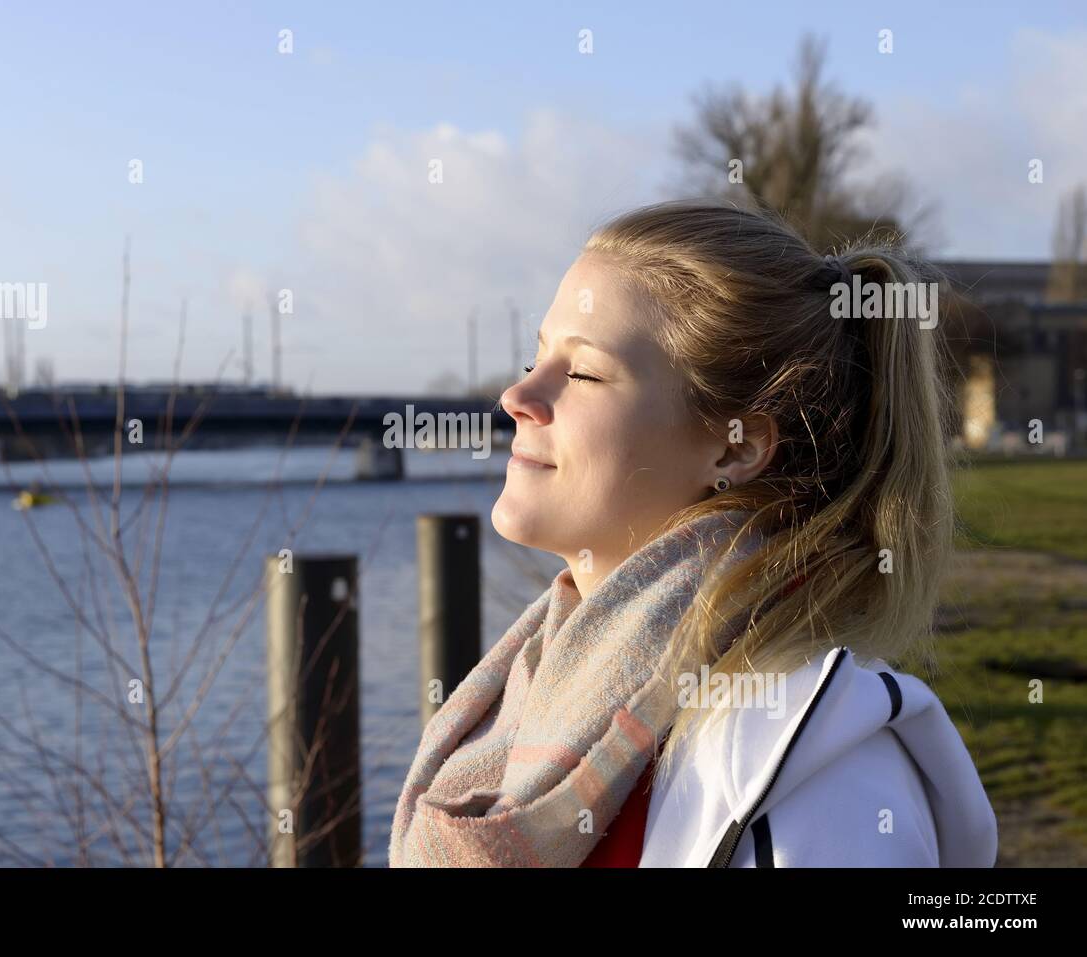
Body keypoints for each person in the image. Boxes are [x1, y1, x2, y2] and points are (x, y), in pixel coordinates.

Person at [388, 199, 998, 867]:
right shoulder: (526, 696)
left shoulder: (815, 779)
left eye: (584, 372)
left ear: (735, 448)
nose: (517, 395)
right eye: (538, 356)